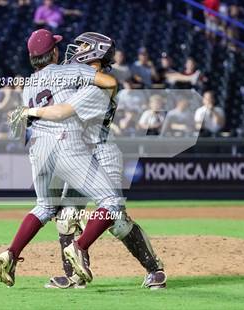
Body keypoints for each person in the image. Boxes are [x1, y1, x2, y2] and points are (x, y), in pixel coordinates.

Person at [13, 32, 166, 289]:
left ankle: (154, 269)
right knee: (66, 216)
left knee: (117, 220)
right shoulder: (82, 79)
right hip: (74, 152)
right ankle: (75, 276)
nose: (76, 48)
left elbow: (62, 110)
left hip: (100, 151)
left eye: (83, 45)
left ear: (94, 52)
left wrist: (31, 111)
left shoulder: (97, 87)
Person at [0, 29, 121, 287]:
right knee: (112, 202)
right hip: (67, 144)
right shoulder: (69, 71)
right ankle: (80, 246)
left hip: (38, 149)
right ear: (53, 52)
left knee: (44, 206)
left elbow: (24, 122)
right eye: (56, 47)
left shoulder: (28, 84)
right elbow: (109, 83)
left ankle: (11, 253)